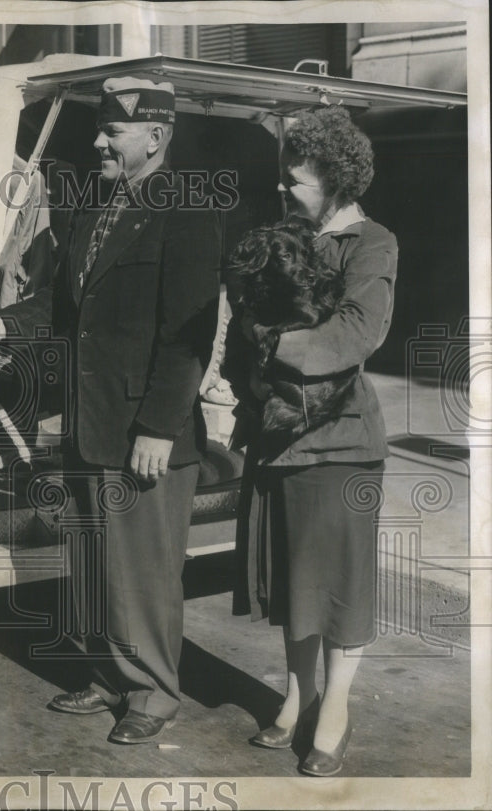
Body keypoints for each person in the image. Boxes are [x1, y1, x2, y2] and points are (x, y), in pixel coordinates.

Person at [0, 77, 221, 744]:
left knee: (144, 569)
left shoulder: (187, 207)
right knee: (94, 559)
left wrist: (158, 425)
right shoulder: (99, 206)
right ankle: (108, 672)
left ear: (156, 137)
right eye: (99, 129)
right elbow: (64, 312)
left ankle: (152, 688)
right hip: (90, 420)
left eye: (112, 131)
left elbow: (189, 332)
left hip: (145, 431)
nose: (97, 140)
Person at [224, 105, 397, 776]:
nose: (283, 188)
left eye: (295, 179)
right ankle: (297, 695)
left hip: (339, 440)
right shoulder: (284, 234)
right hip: (277, 433)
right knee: (294, 579)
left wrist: (269, 342)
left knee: (338, 586)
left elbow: (357, 332)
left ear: (334, 177)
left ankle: (336, 711)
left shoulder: (372, 242)